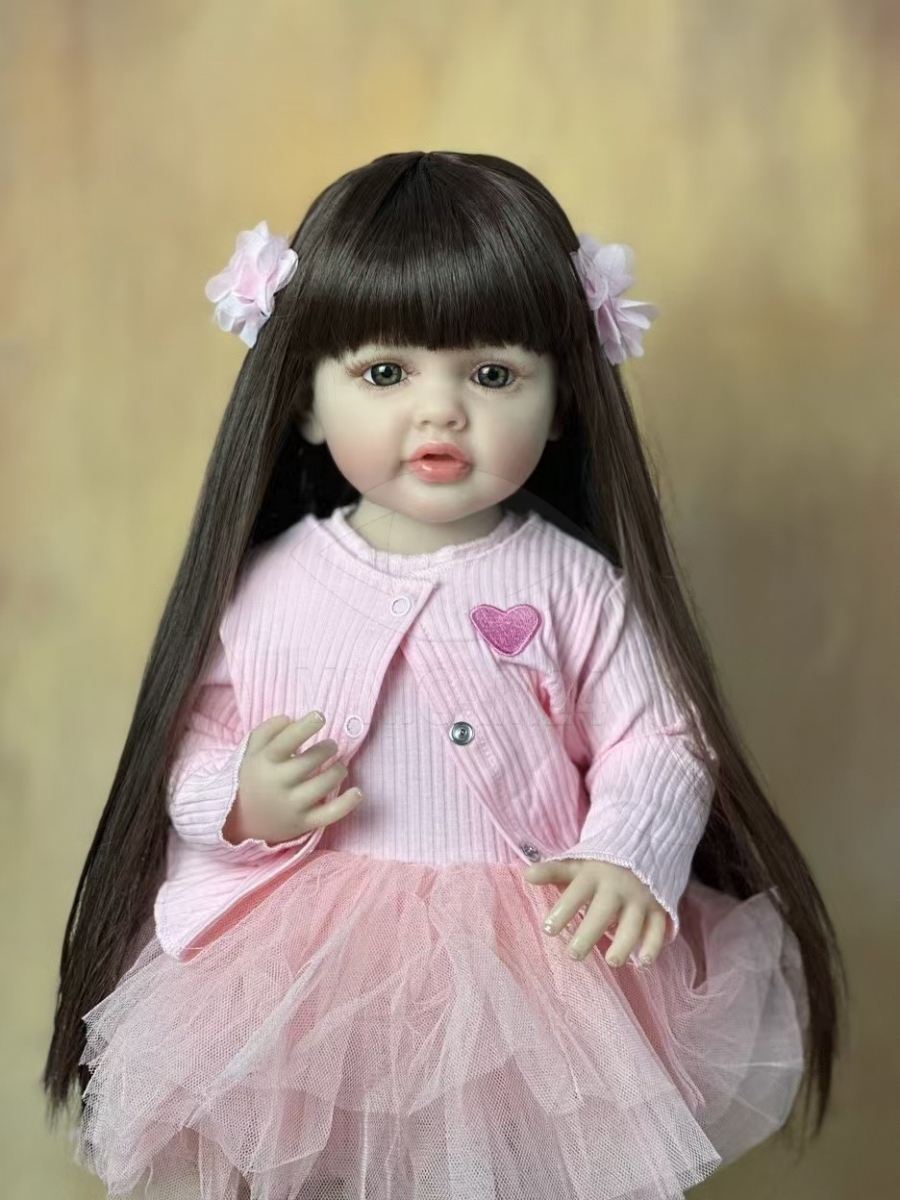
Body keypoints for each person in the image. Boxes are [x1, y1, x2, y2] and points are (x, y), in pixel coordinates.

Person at [42, 150, 845, 1200]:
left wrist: (626, 851)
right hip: (306, 968)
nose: (441, 412)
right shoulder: (266, 588)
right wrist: (239, 801)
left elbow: (659, 736)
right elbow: (194, 742)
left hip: (533, 968)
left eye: (492, 374)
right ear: (305, 400)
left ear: (564, 402)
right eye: (385, 373)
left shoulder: (575, 585)